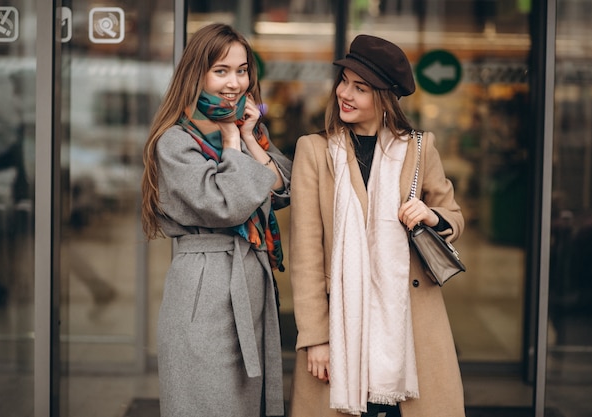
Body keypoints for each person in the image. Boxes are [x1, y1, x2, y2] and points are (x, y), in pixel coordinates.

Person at [288, 34, 465, 417]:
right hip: (341, 329)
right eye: (344, 81)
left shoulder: (418, 149)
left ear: (384, 97)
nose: (344, 93)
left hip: (410, 325)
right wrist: (316, 338)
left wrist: (430, 215)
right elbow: (305, 257)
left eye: (360, 87)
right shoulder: (315, 152)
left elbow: (452, 215)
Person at [140, 23, 291, 417]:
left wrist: (248, 138)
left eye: (242, 71)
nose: (234, 83)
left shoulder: (244, 128)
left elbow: (282, 187)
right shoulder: (175, 141)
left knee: (243, 403)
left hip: (248, 281)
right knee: (206, 401)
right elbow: (227, 204)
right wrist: (230, 142)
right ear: (197, 73)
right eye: (221, 70)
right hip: (204, 289)